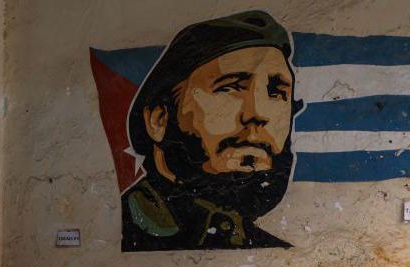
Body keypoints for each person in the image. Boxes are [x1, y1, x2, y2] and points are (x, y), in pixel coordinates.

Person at [122, 10, 303, 251]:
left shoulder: (273, 253)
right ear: (159, 119)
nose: (257, 113)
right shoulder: (121, 228)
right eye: (230, 88)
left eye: (277, 93)